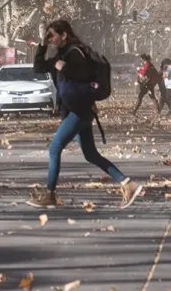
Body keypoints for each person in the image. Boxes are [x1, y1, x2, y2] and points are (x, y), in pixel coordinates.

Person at [27, 20, 142, 209]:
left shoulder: (75, 52)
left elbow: (83, 74)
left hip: (79, 110)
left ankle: (50, 195)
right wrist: (43, 45)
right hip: (78, 109)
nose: (51, 39)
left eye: (52, 35)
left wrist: (63, 68)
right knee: (90, 154)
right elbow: (38, 68)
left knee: (55, 148)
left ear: (64, 35)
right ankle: (128, 184)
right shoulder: (61, 55)